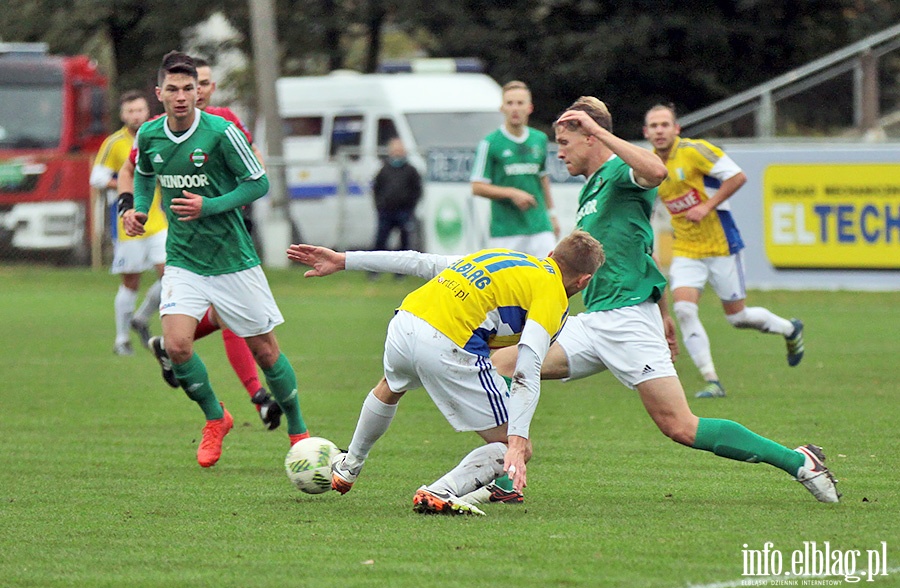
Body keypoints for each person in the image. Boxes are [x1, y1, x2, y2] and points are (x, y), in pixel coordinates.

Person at [490, 96, 839, 504]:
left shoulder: (621, 171)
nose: (560, 152)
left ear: (590, 137)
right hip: (595, 321)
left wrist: (600, 130)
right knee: (500, 367)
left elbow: (657, 170)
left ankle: (799, 461)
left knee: (680, 426)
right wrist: (666, 313)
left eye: (566, 142)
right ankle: (503, 473)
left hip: (627, 322)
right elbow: (644, 252)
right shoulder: (595, 186)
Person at [286, 230, 603, 514]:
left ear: (550, 256)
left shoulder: (504, 258)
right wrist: (518, 443)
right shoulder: (553, 294)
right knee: (513, 446)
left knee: (390, 386)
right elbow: (528, 367)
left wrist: (345, 260)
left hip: (406, 321)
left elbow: (418, 262)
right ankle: (439, 492)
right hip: (448, 343)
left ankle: (347, 468)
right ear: (583, 281)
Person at [121, 51, 309, 467]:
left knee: (266, 351)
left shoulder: (222, 132)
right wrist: (135, 209)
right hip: (184, 260)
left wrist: (210, 206)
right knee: (176, 346)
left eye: (189, 88)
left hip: (233, 260)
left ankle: (299, 430)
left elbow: (258, 183)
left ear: (198, 92)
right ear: (160, 94)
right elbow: (144, 173)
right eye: (173, 89)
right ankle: (215, 418)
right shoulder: (149, 135)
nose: (182, 96)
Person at [643, 104, 804, 398]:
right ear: (646, 132)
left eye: (665, 124)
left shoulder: (695, 151)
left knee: (737, 317)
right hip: (687, 249)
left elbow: (737, 176)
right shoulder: (650, 166)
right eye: (653, 126)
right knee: (684, 309)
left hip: (721, 244)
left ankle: (789, 329)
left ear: (676, 128)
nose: (659, 130)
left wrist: (706, 205)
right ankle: (712, 380)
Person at [90, 90, 164, 355]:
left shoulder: (157, 136)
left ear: (148, 111)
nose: (136, 115)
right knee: (130, 281)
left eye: (140, 110)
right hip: (127, 223)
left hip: (158, 221)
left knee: (173, 276)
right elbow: (96, 178)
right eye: (131, 111)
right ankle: (121, 340)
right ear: (123, 115)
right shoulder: (115, 143)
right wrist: (123, 185)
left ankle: (141, 317)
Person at [471, 80, 560, 257]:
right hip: (506, 230)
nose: (515, 108)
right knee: (506, 282)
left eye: (520, 103)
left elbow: (542, 178)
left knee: (548, 277)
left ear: (530, 108)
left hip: (539, 226)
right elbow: (477, 186)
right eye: (510, 103)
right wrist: (512, 193)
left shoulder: (539, 139)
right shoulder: (490, 143)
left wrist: (552, 214)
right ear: (502, 108)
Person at [371, 137, 422, 263]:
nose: (397, 152)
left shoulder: (411, 170)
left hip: (404, 211)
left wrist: (410, 206)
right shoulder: (384, 169)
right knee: (380, 241)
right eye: (394, 149)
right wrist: (379, 205)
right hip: (386, 211)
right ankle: (375, 269)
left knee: (404, 242)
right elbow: (376, 188)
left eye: (400, 149)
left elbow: (417, 190)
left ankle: (401, 272)